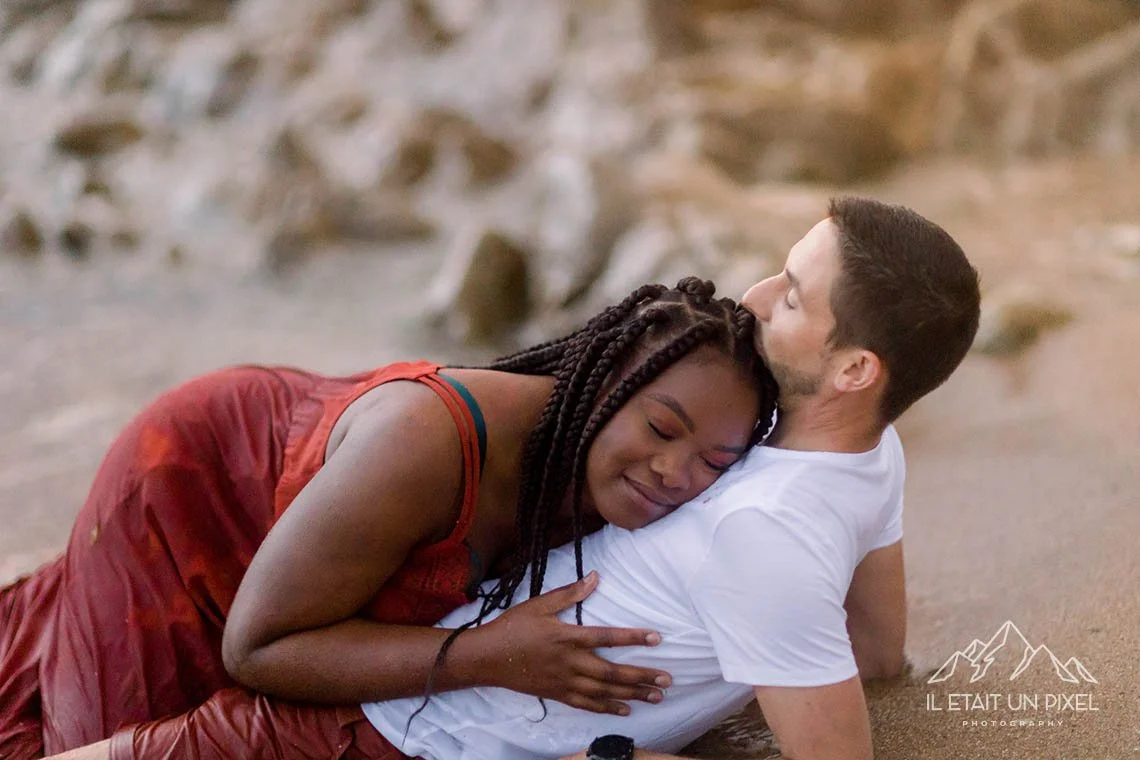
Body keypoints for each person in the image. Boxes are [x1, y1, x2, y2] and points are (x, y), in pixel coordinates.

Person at [43, 195, 981, 760]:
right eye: (780, 273)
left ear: (857, 372)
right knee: (73, 720)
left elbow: (875, 659)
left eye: (792, 293)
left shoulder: (820, 477)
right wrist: (490, 658)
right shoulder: (830, 469)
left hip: (398, 686)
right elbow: (264, 643)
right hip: (208, 493)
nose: (755, 295)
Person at [0, 278, 779, 760]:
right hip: (191, 497)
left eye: (714, 462)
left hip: (319, 557)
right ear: (603, 381)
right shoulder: (426, 443)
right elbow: (258, 646)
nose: (676, 474)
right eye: (662, 428)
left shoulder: (638, 481)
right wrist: (484, 654)